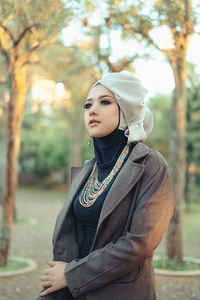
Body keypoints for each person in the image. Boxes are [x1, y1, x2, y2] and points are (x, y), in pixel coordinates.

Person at [36, 70, 176, 300]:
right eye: (88, 104)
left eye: (105, 102)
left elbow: (140, 242)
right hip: (70, 291)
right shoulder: (87, 170)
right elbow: (71, 232)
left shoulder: (151, 164)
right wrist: (62, 278)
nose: (92, 110)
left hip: (118, 291)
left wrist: (72, 274)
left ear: (127, 109)